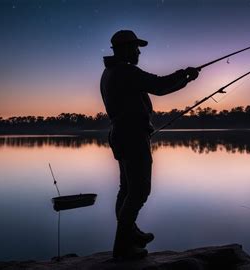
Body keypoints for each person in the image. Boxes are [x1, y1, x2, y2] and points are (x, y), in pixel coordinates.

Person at [100, 30, 199, 260]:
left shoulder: (110, 72)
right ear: (124, 49)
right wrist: (185, 75)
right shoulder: (125, 71)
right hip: (131, 136)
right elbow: (160, 85)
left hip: (122, 134)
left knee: (127, 190)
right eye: (135, 47)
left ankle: (129, 236)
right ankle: (123, 245)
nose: (138, 52)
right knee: (139, 190)